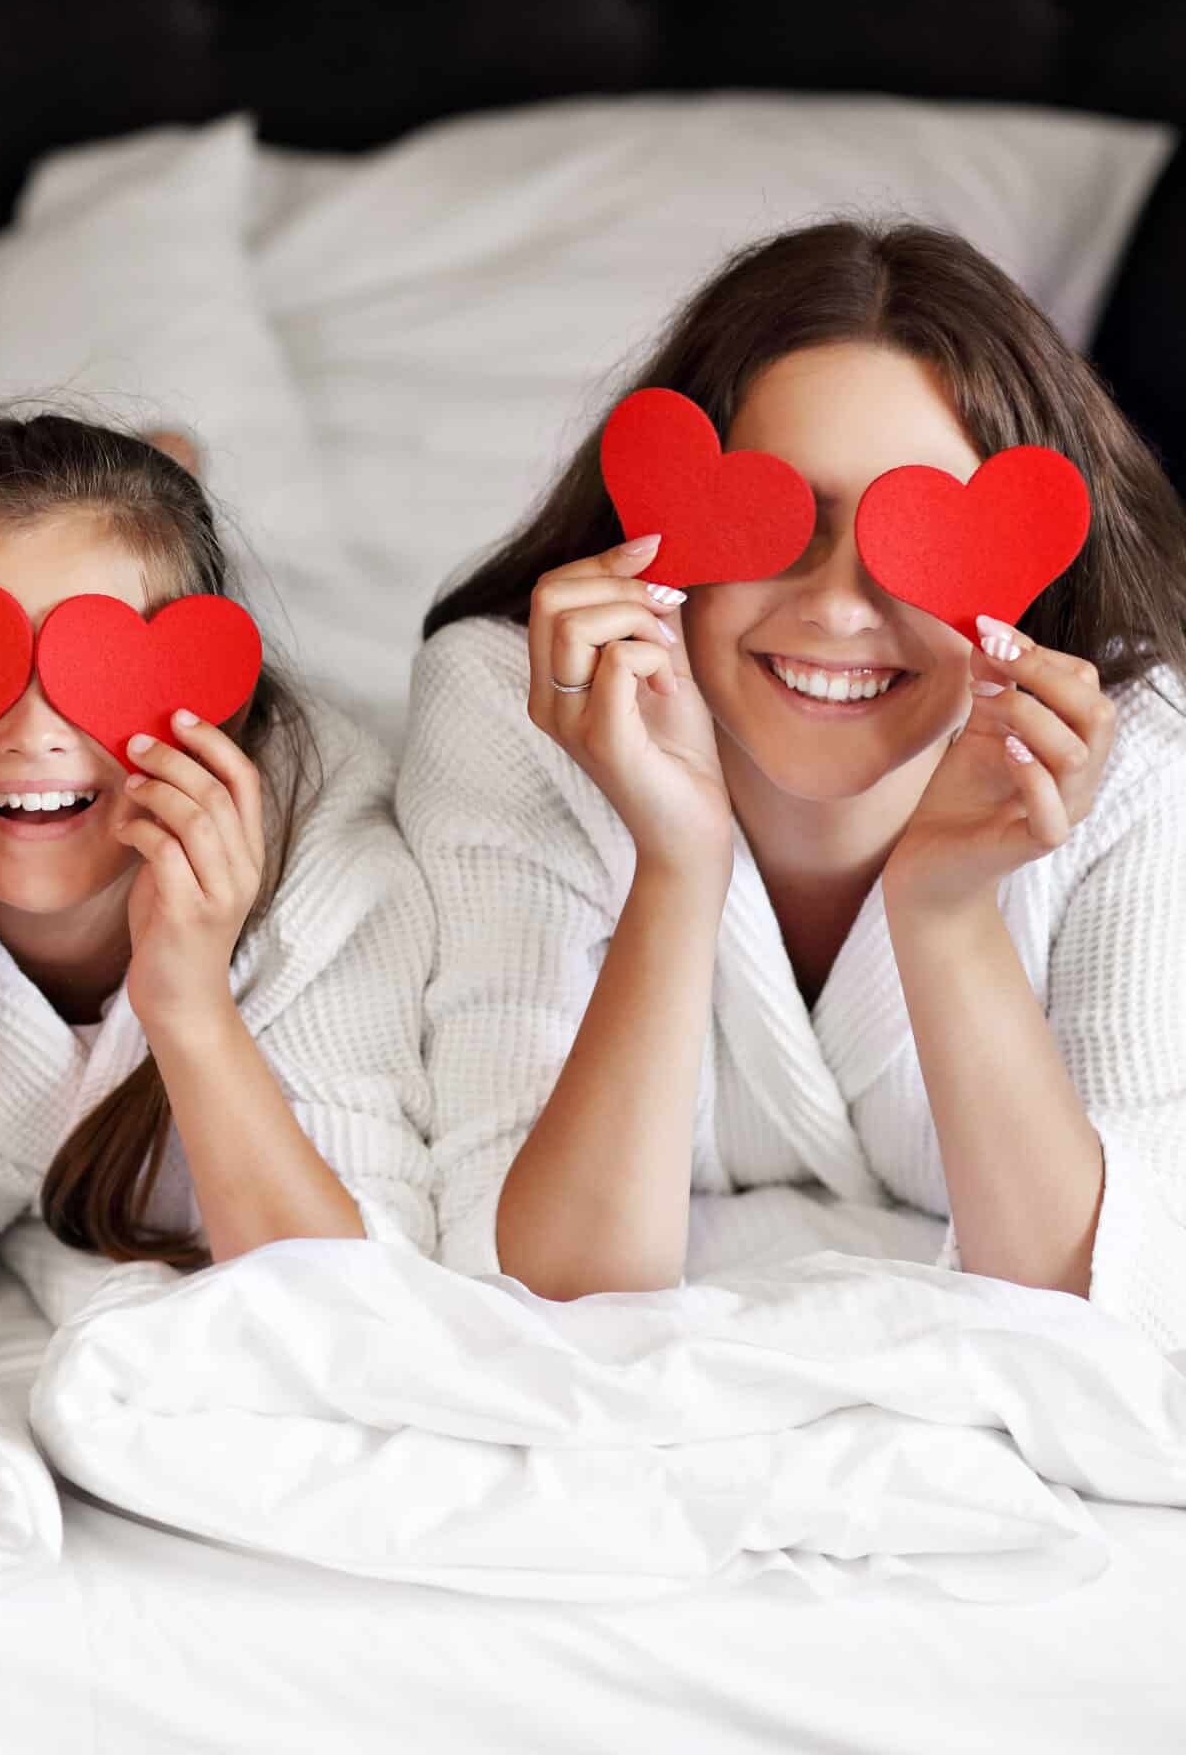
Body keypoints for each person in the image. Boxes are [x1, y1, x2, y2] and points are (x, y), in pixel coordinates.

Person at [402, 221, 1186, 1342]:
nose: (835, 608)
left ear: (1028, 572)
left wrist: (949, 913)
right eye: (774, 526)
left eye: (920, 544)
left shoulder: (1140, 757)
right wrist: (677, 863)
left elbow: (1111, 1310)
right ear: (664, 528)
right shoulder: (515, 710)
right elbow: (547, 1289)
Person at [0, 413, 435, 1355]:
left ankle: (172, 474)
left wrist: (189, 1001)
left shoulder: (327, 860)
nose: (31, 732)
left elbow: (349, 1314)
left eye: (95, 667)